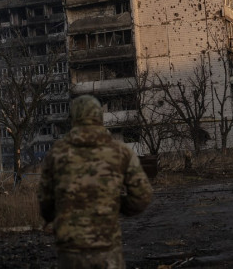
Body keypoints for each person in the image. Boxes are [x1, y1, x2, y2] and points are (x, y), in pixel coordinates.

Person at [38, 94, 153, 269]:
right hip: (107, 245)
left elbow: (45, 200)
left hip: (71, 248)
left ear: (74, 118)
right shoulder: (121, 152)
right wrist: (116, 205)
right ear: (99, 117)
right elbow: (142, 196)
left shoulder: (56, 153)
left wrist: (58, 213)